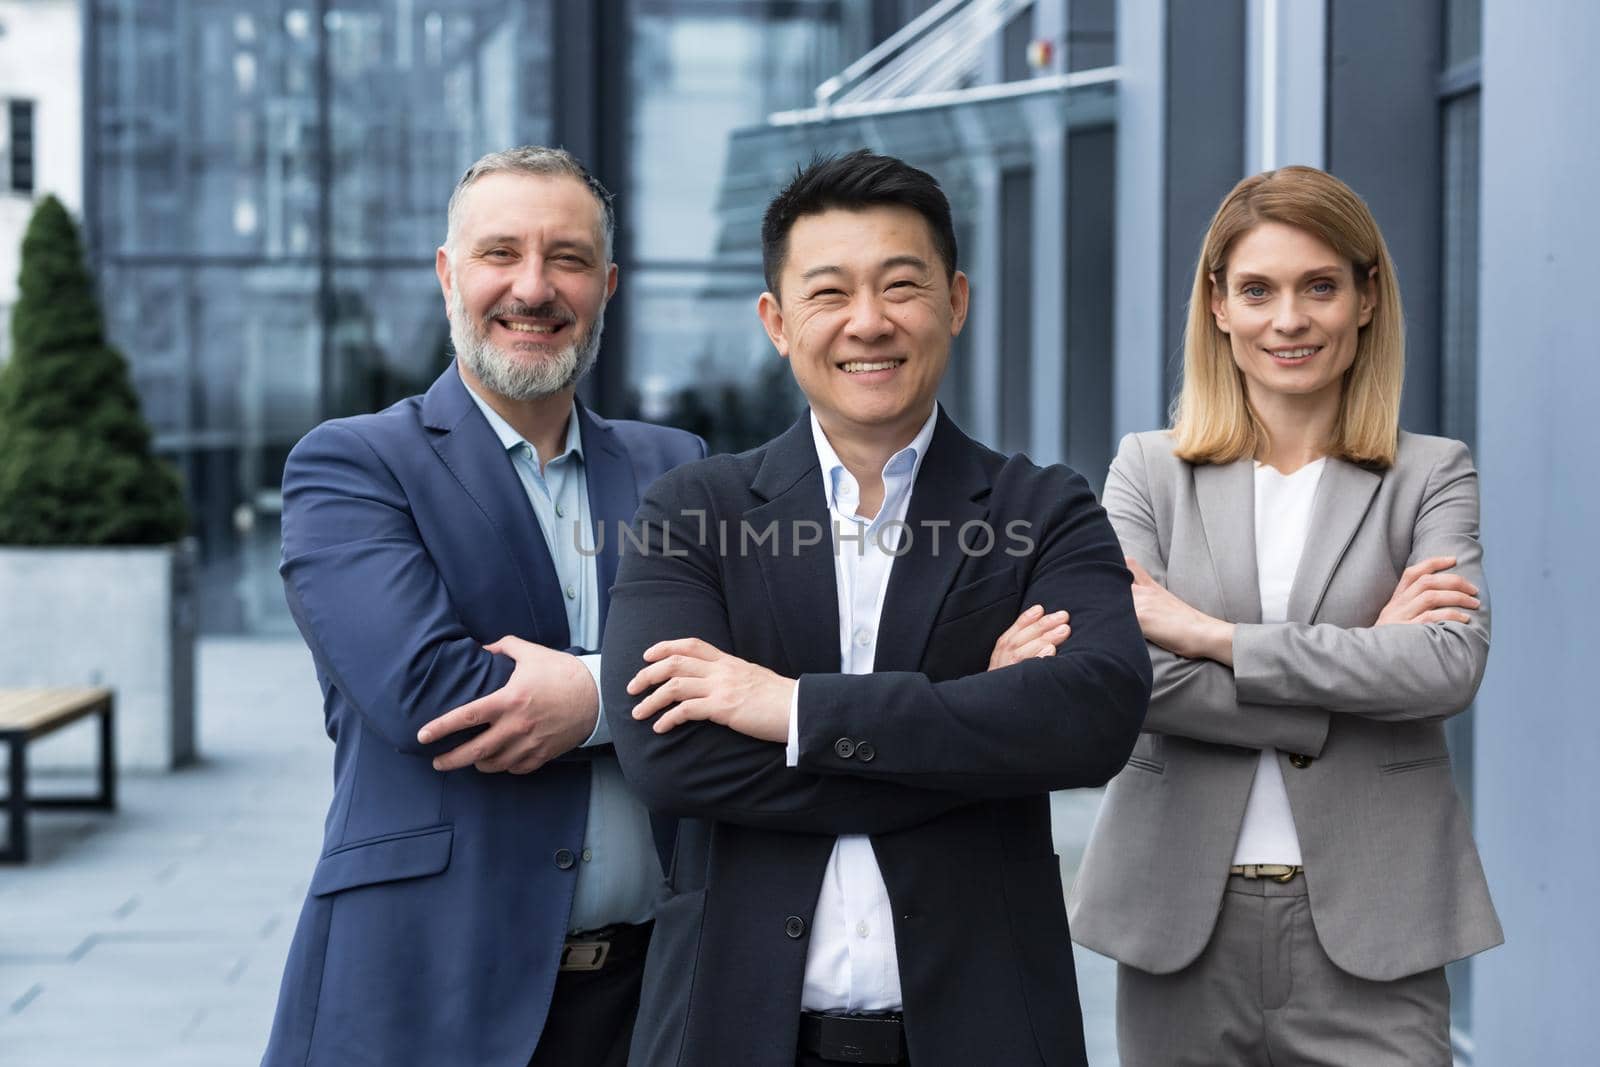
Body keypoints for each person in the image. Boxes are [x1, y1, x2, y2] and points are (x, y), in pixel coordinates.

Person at [596, 150, 1151, 1067]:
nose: (869, 322)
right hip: (734, 1028)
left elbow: (1094, 717)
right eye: (830, 293)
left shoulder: (1043, 507)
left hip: (986, 1028)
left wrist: (791, 709)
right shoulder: (696, 510)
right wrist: (973, 719)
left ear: (957, 301)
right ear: (777, 321)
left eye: (903, 285)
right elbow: (668, 753)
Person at [261, 147, 705, 1067]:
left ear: (608, 284)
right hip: (429, 991)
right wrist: (641, 690)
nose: (533, 288)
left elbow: (754, 666)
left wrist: (585, 694)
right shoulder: (353, 465)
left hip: (657, 998)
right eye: (501, 253)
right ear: (448, 273)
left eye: (569, 258)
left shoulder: (679, 467)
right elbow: (432, 692)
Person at [1068, 165, 1502, 1064]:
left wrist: (1211, 636)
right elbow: (1123, 673)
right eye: (1258, 290)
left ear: (1367, 298)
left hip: (1376, 927)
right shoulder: (1147, 472)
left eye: (1320, 287)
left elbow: (1446, 665)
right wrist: (1360, 664)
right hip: (1179, 915)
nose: (1289, 320)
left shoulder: (1431, 473)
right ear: (1218, 305)